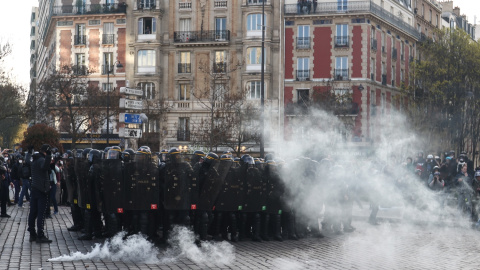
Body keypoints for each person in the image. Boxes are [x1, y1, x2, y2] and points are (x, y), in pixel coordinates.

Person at [26, 144, 53, 243]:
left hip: (34, 188)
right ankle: (40, 235)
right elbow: (45, 167)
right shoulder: (42, 159)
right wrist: (49, 156)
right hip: (42, 189)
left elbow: (27, 162)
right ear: (46, 151)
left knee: (33, 212)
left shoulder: (34, 159)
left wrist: (29, 153)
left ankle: (32, 234)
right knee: (41, 213)